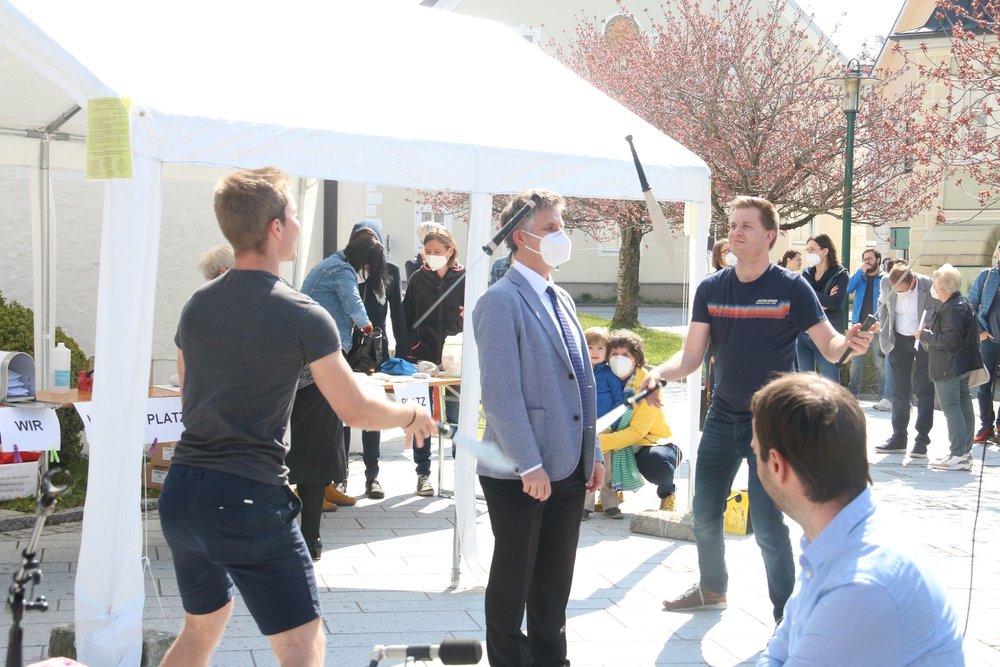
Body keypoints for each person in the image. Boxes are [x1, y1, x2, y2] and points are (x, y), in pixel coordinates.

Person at [158, 167, 435, 667]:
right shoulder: (302, 313)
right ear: (275, 227)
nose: (298, 222)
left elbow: (188, 397)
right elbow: (353, 408)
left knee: (201, 628)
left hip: (182, 493)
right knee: (302, 645)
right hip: (247, 495)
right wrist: (410, 414)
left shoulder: (197, 304)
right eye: (292, 213)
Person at [643, 196, 876, 623]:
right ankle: (712, 589)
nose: (735, 232)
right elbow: (691, 356)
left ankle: (786, 616)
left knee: (768, 526)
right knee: (705, 515)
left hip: (771, 426)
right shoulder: (711, 288)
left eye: (746, 226)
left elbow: (830, 345)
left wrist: (851, 344)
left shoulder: (791, 287)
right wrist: (658, 373)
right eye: (733, 225)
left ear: (770, 236)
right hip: (721, 418)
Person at [472, 188, 605, 667]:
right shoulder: (499, 302)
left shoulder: (561, 297)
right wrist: (528, 463)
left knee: (553, 584)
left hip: (568, 465)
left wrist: (595, 453)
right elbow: (501, 395)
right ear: (519, 238)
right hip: (521, 472)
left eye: (561, 227)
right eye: (550, 228)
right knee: (514, 582)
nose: (560, 236)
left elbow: (583, 383)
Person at [752, 373, 965, 666]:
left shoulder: (859, 585)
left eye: (756, 453)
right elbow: (777, 651)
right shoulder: (841, 537)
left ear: (777, 465)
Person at [291, 232, 389, 526]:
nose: (368, 271)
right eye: (369, 265)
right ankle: (309, 490)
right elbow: (355, 305)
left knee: (330, 423)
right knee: (317, 425)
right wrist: (368, 327)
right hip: (316, 357)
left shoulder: (333, 265)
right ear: (363, 259)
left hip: (322, 352)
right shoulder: (341, 270)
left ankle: (325, 485)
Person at [342, 221, 408, 500]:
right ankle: (341, 476)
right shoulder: (344, 269)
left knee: (372, 414)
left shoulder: (389, 270)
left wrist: (402, 355)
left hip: (375, 352)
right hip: (345, 350)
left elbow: (398, 315)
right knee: (343, 415)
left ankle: (372, 476)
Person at [585, 330, 682, 518]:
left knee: (657, 463)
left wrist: (592, 443)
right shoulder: (603, 378)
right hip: (612, 437)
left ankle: (667, 492)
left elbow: (636, 432)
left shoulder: (647, 384)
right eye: (614, 353)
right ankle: (610, 495)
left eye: (626, 355)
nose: (619, 359)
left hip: (649, 442)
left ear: (636, 358)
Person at [401, 226, 465, 496]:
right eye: (427, 251)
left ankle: (461, 474)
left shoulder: (465, 278)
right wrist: (406, 354)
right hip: (422, 356)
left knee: (457, 417)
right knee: (421, 416)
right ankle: (423, 474)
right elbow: (406, 317)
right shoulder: (418, 279)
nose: (431, 255)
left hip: (456, 358)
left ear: (450, 251)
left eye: (437, 251)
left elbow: (479, 315)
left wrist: (468, 314)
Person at [918, 264, 980, 471]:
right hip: (960, 365)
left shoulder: (951, 308)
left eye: (936, 286)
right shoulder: (963, 303)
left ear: (943, 288)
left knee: (952, 408)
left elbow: (949, 340)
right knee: (963, 406)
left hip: (947, 366)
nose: (934, 290)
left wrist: (925, 335)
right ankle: (964, 452)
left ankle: (958, 453)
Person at [875, 262, 936, 458]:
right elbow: (883, 305)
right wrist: (883, 328)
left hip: (923, 341)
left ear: (912, 282)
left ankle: (922, 440)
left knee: (924, 390)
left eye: (902, 291)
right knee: (899, 391)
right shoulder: (886, 282)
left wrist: (926, 331)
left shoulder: (928, 285)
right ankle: (899, 437)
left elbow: (936, 312)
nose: (898, 294)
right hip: (898, 340)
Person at [796, 234, 848, 382]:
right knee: (805, 385)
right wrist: (825, 298)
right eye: (807, 250)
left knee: (830, 383)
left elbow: (835, 303)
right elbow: (801, 299)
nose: (809, 253)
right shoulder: (806, 273)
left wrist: (811, 296)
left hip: (828, 337)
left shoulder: (840, 274)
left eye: (812, 249)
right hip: (803, 335)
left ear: (824, 251)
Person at [969, 240, 1000, 444]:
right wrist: (980, 331)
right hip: (989, 340)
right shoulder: (986, 276)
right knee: (983, 385)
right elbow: (970, 304)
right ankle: (986, 426)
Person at [846, 247, 887, 403]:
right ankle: (853, 394)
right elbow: (848, 288)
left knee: (880, 363)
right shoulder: (860, 277)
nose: (867, 262)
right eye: (864, 259)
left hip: (876, 327)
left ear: (878, 260)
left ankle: (882, 396)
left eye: (870, 258)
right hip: (859, 326)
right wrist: (859, 271)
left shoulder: (884, 278)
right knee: (856, 363)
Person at [586, 326, 623, 422]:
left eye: (600, 348)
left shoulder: (610, 374)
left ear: (607, 352)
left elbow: (618, 400)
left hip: (604, 424)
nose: (595, 352)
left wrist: (611, 424)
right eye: (590, 347)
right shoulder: (578, 373)